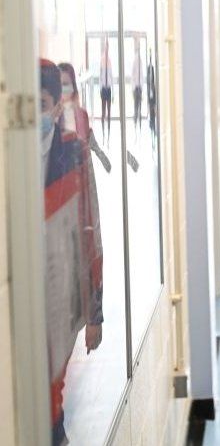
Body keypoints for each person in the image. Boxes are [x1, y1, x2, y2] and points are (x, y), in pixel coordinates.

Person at [41, 59, 104, 446]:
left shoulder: (72, 153)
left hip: (60, 300)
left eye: (42, 101)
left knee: (52, 395)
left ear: (56, 105)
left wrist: (94, 314)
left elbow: (91, 235)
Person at [98, 36, 113, 145]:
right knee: (103, 111)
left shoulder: (110, 60)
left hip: (109, 88)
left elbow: (111, 76)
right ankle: (103, 131)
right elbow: (100, 76)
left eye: (108, 46)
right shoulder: (102, 59)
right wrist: (100, 88)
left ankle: (109, 130)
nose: (107, 48)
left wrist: (113, 91)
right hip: (103, 88)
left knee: (109, 111)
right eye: (106, 45)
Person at [132, 37, 144, 133]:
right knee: (136, 106)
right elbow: (133, 75)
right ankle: (135, 122)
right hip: (136, 87)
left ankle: (139, 122)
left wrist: (142, 86)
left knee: (139, 105)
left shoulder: (140, 60)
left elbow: (141, 74)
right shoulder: (135, 60)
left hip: (140, 87)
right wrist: (134, 87)